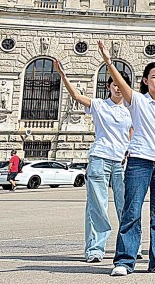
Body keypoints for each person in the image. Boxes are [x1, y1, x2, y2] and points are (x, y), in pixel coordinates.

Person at [98, 41, 155, 276]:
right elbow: (122, 85)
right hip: (139, 162)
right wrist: (108, 61)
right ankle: (124, 262)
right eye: (154, 76)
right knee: (132, 211)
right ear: (145, 80)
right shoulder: (137, 100)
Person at [54, 59, 132, 263]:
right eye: (114, 83)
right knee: (97, 206)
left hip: (122, 162)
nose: (117, 87)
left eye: (121, 83)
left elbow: (133, 135)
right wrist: (63, 75)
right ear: (109, 86)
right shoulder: (98, 105)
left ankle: (130, 246)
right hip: (99, 158)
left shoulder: (131, 110)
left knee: (127, 206)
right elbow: (76, 96)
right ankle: (95, 249)